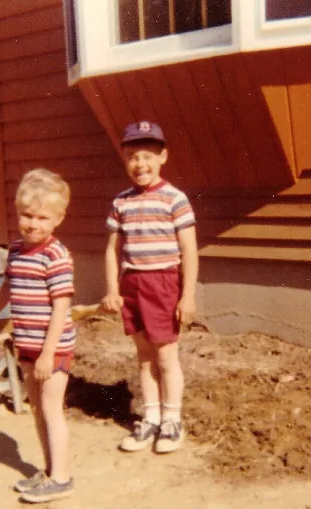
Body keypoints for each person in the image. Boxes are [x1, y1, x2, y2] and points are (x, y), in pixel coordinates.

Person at [0, 168, 76, 503]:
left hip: (52, 348)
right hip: (25, 343)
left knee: (51, 408)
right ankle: (48, 469)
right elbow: (7, 289)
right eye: (27, 215)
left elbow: (60, 309)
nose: (33, 223)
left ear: (58, 219)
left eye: (42, 217)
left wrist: (47, 353)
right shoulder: (15, 250)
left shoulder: (55, 256)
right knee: (38, 410)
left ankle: (62, 477)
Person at [101, 121, 198, 454]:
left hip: (163, 283)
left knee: (166, 356)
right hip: (132, 284)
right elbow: (113, 249)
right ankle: (151, 418)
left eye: (146, 156)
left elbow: (188, 251)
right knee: (144, 358)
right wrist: (113, 289)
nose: (139, 164)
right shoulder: (122, 201)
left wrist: (187, 297)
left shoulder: (175, 199)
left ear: (163, 157)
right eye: (131, 156)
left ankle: (172, 421)